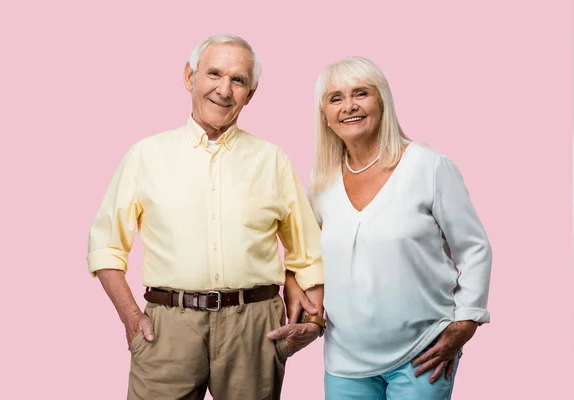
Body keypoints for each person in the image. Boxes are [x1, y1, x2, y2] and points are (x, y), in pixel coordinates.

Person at [86, 34, 325, 400]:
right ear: (189, 77)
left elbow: (307, 251)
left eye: (238, 80)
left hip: (254, 326)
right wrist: (131, 317)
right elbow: (105, 246)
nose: (224, 90)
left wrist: (313, 320)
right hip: (168, 326)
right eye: (214, 74)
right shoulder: (146, 155)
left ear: (252, 92)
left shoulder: (271, 159)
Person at [287, 56, 492, 399]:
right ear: (324, 113)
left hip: (422, 354)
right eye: (335, 98)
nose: (349, 106)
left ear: (382, 100)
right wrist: (293, 280)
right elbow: (308, 256)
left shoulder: (428, 167)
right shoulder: (321, 184)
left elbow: (473, 248)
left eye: (361, 93)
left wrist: (466, 322)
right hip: (345, 362)